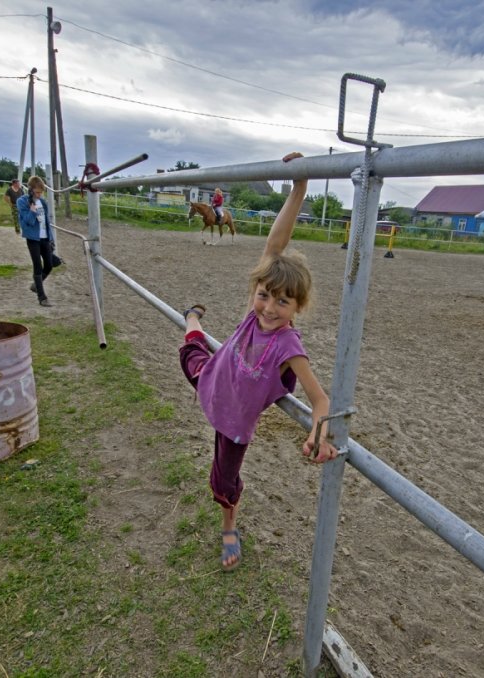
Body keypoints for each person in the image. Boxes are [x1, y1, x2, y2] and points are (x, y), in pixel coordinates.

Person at [179, 153, 337, 572]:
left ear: (297, 306)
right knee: (191, 351)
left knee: (223, 480)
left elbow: (320, 399)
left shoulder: (288, 345)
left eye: (282, 301)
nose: (268, 307)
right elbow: (275, 245)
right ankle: (192, 316)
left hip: (234, 423)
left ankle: (228, 525)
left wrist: (319, 434)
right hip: (212, 380)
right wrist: (299, 187)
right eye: (264, 295)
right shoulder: (255, 310)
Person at [16, 176, 55, 307]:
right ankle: (42, 297)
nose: (39, 195)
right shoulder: (22, 202)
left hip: (44, 237)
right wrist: (32, 210)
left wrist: (51, 239)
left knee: (49, 265)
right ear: (31, 190)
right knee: (37, 265)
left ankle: (36, 285)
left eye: (41, 192)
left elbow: (46, 222)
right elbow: (28, 221)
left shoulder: (43, 203)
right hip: (33, 238)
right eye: (37, 192)